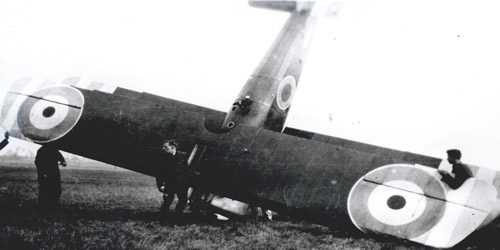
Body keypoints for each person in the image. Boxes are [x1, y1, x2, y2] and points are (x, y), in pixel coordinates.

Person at [156, 139, 190, 222]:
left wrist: (186, 183)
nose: (163, 148)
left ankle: (178, 217)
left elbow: (186, 170)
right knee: (167, 201)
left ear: (172, 147)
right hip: (169, 184)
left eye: (165, 147)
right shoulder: (163, 157)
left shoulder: (183, 156)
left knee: (183, 200)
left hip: (181, 184)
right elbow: (159, 173)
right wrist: (161, 185)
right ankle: (163, 219)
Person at [35, 144, 67, 210]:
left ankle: (46, 206)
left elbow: (37, 162)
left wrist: (42, 172)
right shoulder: (54, 150)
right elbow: (64, 163)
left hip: (47, 174)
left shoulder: (41, 151)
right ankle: (50, 206)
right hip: (51, 174)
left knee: (46, 190)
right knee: (54, 190)